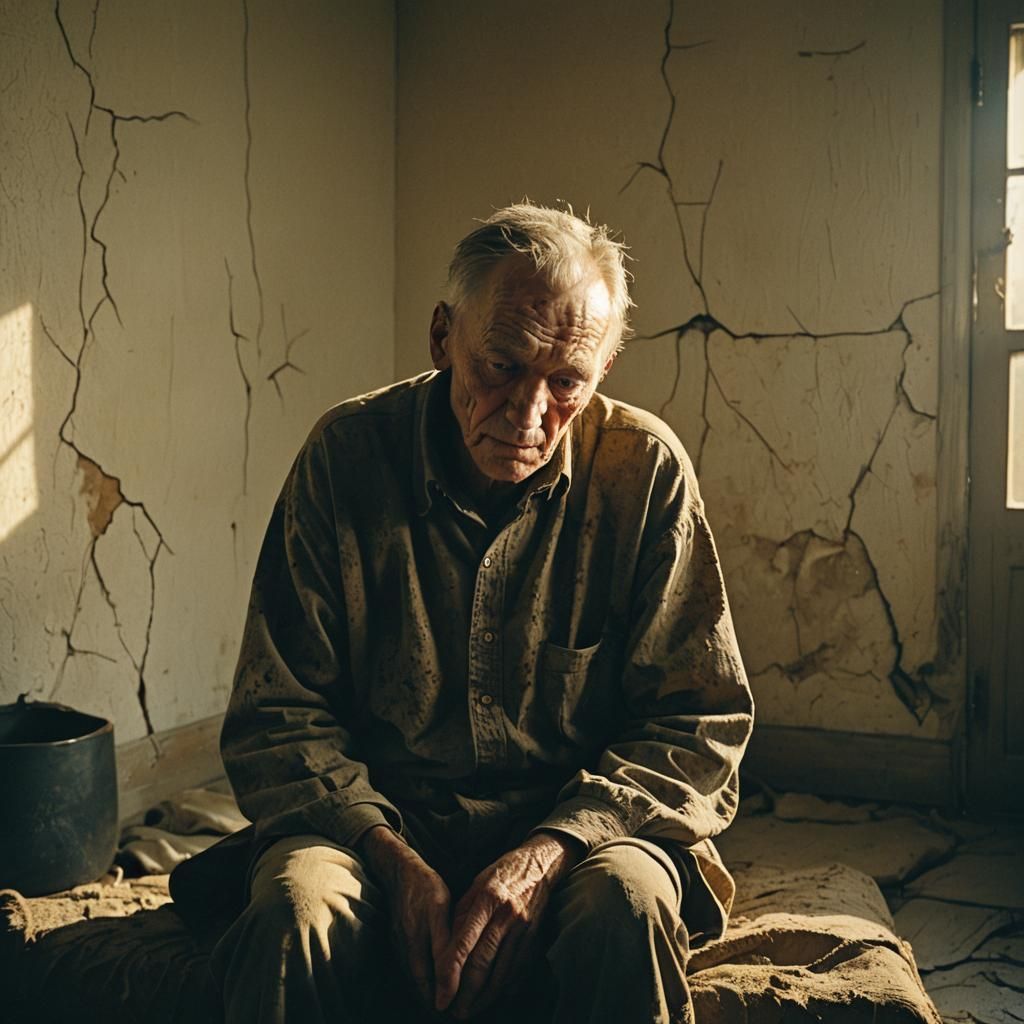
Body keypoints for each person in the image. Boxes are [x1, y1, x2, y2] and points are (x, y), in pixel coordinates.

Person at [171, 202, 754, 1024]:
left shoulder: (644, 473)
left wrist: (549, 852)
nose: (527, 417)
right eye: (501, 368)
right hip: (371, 825)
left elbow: (699, 723)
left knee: (628, 906)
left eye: (565, 385)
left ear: (605, 366)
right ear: (443, 337)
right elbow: (277, 718)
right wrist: (390, 857)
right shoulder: (346, 458)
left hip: (580, 831)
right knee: (295, 910)